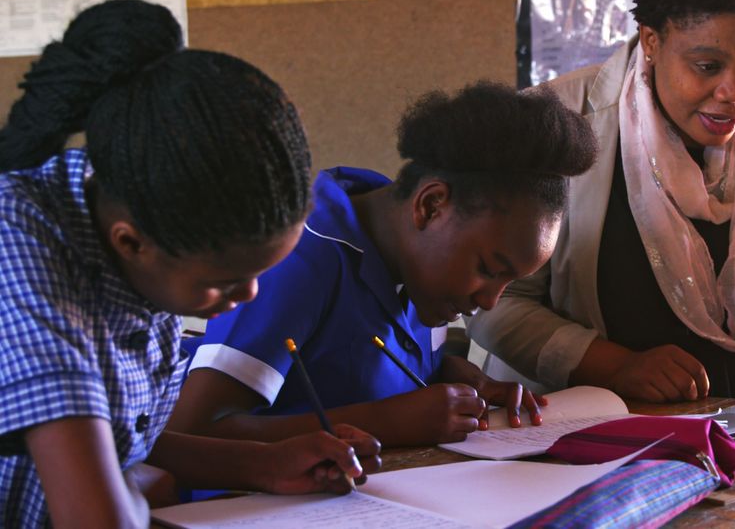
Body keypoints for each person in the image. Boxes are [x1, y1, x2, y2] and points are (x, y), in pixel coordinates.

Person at [0, 0, 380, 528]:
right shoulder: (21, 251)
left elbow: (119, 439)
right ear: (131, 242)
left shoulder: (135, 198)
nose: (249, 294)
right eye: (223, 282)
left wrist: (263, 464)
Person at [468, 0, 735, 403]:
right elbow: (495, 303)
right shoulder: (554, 119)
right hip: (611, 425)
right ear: (651, 41)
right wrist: (616, 365)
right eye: (708, 66)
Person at [166, 82, 598, 447]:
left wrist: (451, 379)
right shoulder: (300, 259)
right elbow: (192, 434)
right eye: (488, 269)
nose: (489, 301)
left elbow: (341, 363)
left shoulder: (413, 267)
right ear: (431, 207)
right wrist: (388, 422)